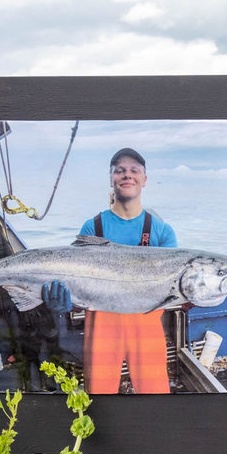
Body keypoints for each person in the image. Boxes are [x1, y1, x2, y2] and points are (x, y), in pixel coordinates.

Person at [43, 147, 177, 393]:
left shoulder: (162, 231)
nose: (127, 175)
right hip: (102, 328)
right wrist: (65, 300)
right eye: (120, 170)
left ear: (144, 179)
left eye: (134, 170)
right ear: (111, 179)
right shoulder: (93, 227)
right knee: (99, 400)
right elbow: (76, 278)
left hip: (147, 328)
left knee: (156, 396)